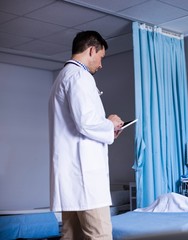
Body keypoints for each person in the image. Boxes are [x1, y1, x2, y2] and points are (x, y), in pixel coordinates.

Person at [48, 30, 124, 239]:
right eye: (101, 58)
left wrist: (109, 130)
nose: (101, 65)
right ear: (92, 50)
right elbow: (86, 122)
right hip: (85, 180)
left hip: (72, 179)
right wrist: (110, 123)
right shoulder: (79, 76)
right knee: (99, 235)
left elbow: (80, 124)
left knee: (72, 235)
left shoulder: (64, 76)